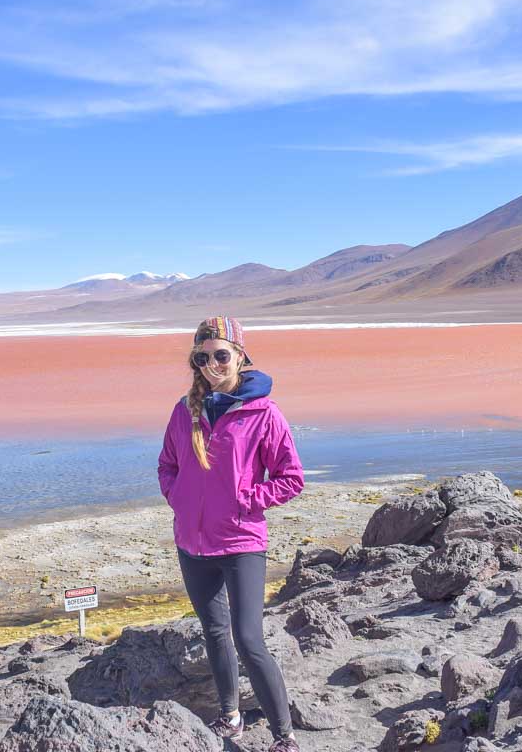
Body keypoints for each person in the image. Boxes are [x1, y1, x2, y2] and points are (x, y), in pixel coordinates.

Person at [157, 316, 304, 751]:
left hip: (241, 542)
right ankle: (231, 717)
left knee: (249, 638)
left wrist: (245, 499)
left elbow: (291, 477)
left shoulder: (263, 413)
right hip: (192, 542)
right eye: (202, 357)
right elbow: (167, 465)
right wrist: (180, 499)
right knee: (215, 633)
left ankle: (284, 736)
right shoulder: (185, 411)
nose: (212, 364)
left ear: (240, 355)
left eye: (222, 354)